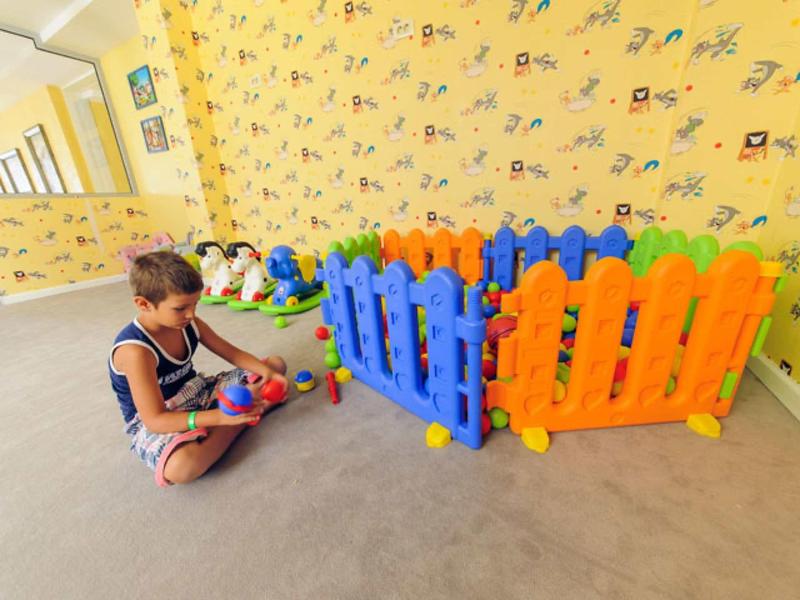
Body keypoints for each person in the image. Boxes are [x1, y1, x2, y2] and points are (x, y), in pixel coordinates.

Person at [109, 251, 288, 487]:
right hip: (158, 416)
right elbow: (155, 420)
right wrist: (220, 417)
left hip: (197, 391)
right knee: (183, 467)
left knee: (275, 365)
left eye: (195, 304)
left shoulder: (188, 323)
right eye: (180, 308)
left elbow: (232, 353)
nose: (191, 314)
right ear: (144, 304)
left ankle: (235, 416)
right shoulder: (135, 352)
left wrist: (269, 374)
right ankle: (241, 417)